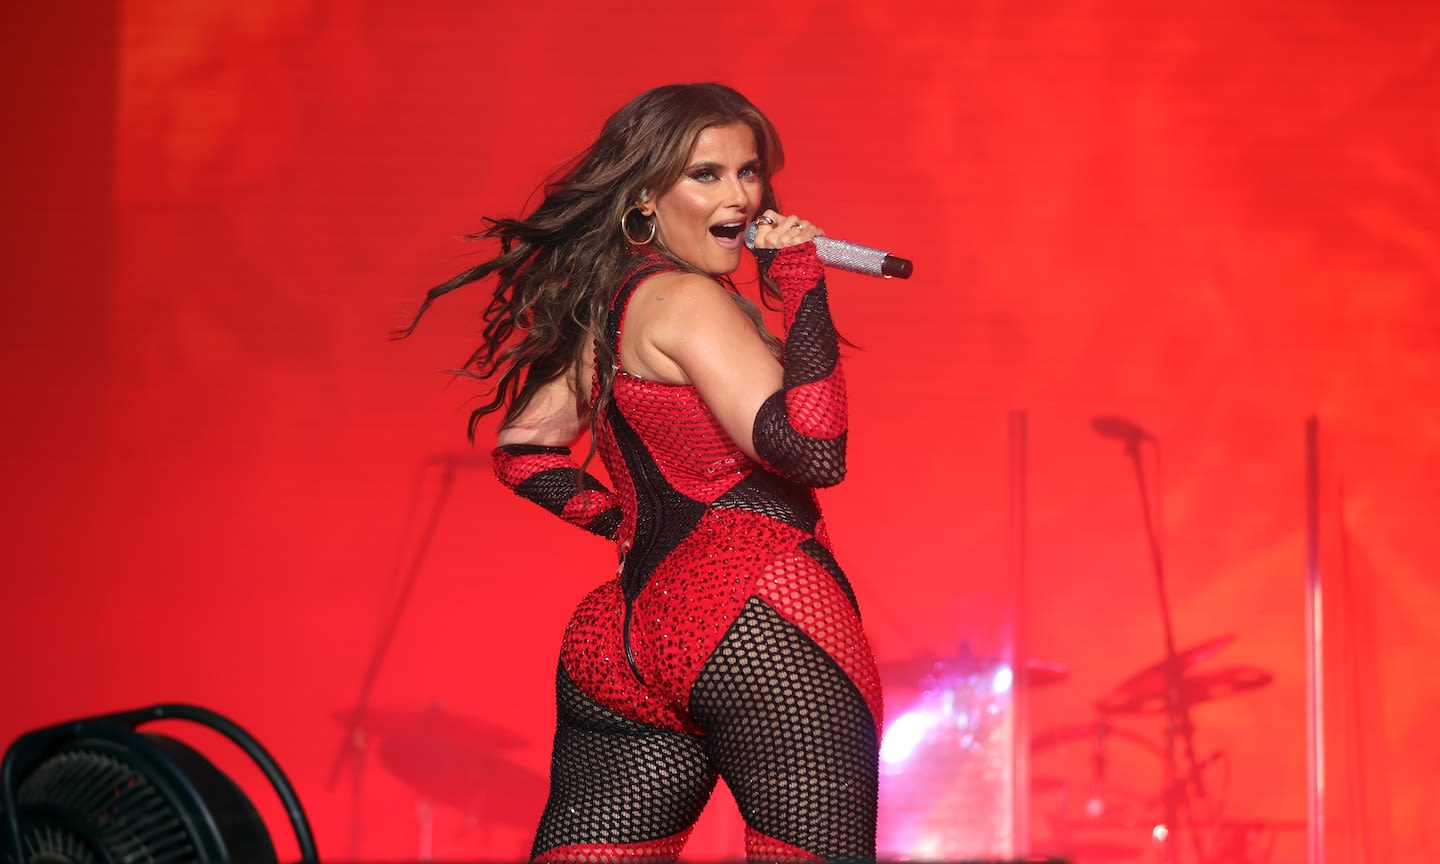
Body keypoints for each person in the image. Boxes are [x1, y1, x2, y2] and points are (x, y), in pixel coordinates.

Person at [400, 83, 882, 863]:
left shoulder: (613, 308)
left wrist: (621, 523)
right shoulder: (691, 301)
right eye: (707, 174)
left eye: (749, 171)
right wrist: (802, 286)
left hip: (621, 637)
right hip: (759, 618)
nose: (741, 195)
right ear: (645, 199)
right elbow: (813, 451)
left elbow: (523, 449)